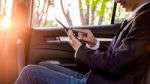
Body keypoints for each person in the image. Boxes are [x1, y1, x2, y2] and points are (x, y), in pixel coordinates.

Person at [15, 0, 150, 84]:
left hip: (104, 81)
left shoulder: (145, 20)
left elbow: (115, 64)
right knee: (44, 65)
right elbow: (118, 56)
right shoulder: (138, 17)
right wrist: (94, 43)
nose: (116, 1)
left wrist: (80, 49)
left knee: (29, 73)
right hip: (98, 78)